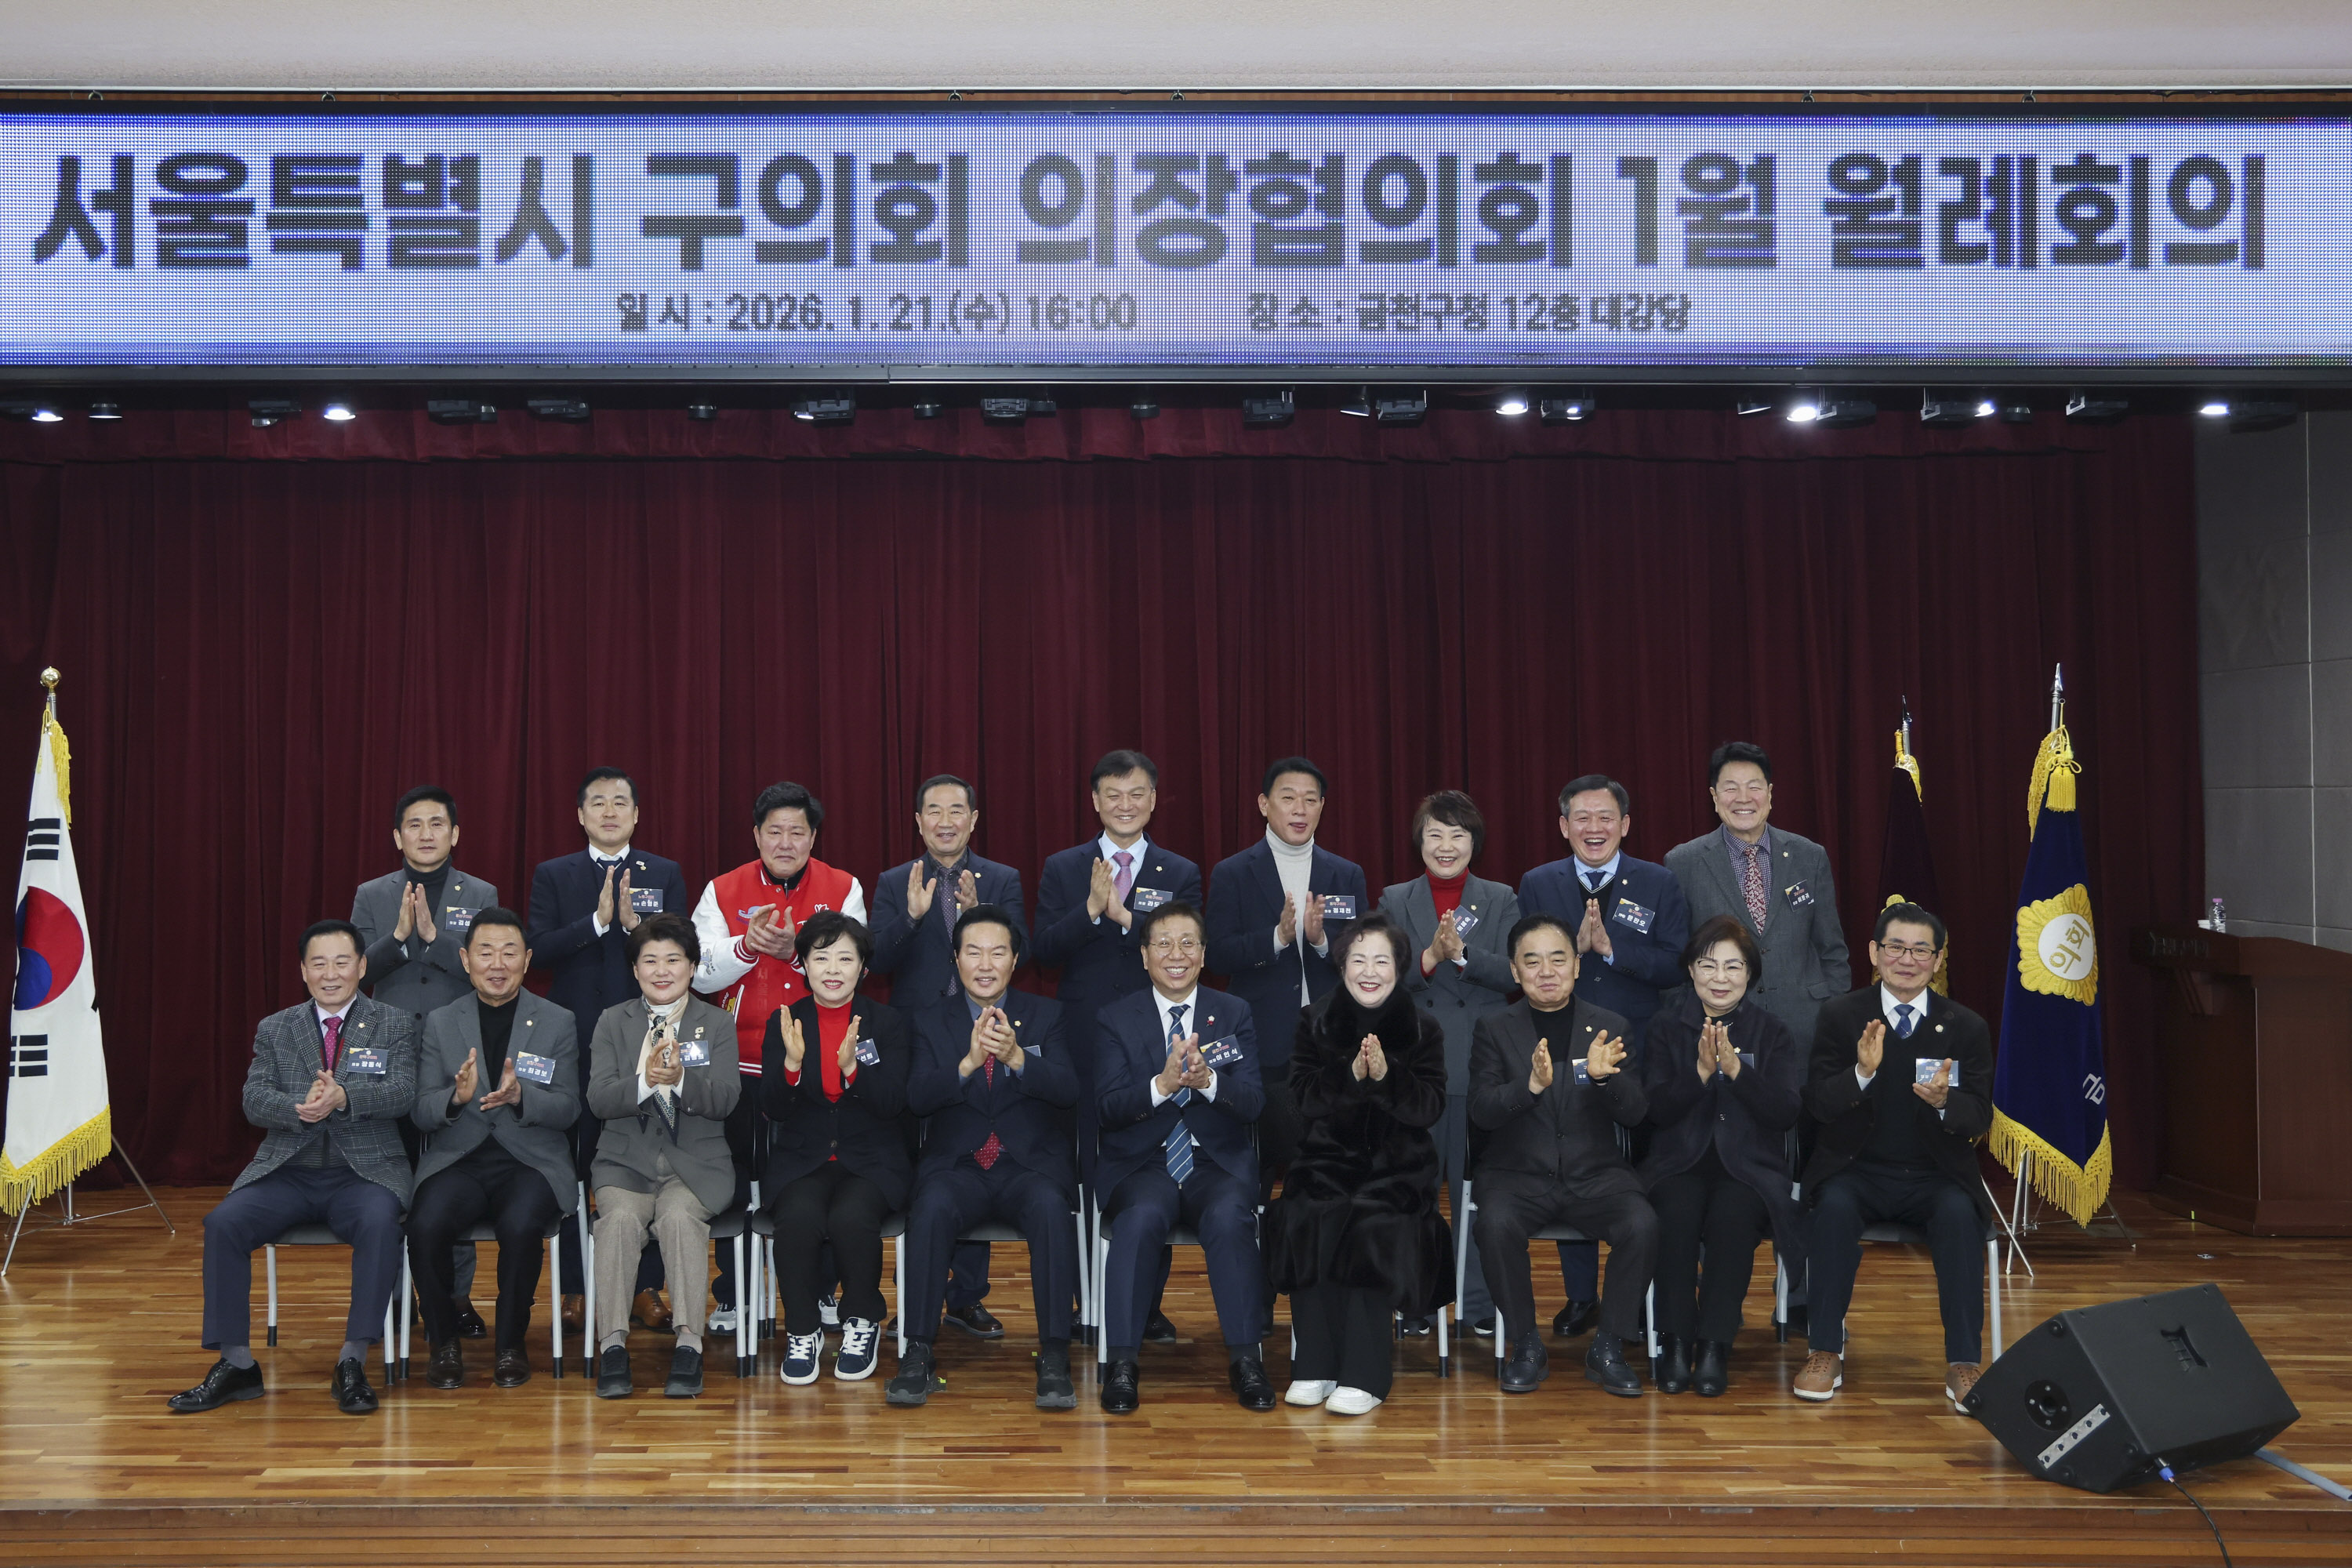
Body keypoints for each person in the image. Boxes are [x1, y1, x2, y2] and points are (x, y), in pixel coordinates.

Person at [169, 921, 416, 1417]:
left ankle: (352, 1360)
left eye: (342, 962)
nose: (331, 974)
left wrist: (345, 1097)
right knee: (223, 1223)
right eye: (319, 964)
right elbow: (253, 1099)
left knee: (379, 1223)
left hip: (364, 1172)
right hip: (289, 1170)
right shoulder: (276, 1028)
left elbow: (403, 1092)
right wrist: (297, 1108)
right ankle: (237, 1364)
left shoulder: (394, 1023)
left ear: (362, 966)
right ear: (303, 971)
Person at [1030, 748, 1203, 1344]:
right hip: (1080, 1037)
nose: (1125, 806)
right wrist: (1088, 911)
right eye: (1113, 795)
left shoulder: (1180, 871)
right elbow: (1043, 950)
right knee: (1084, 1165)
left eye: (1136, 795)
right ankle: (1085, 1300)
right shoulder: (1064, 866)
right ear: (1095, 802)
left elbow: (1186, 945)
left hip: (1154, 1036)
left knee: (1153, 1159)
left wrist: (1126, 917)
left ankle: (1144, 1302)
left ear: (1152, 800)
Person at [1795, 902, 1994, 1410]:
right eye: (1896, 947)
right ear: (1874, 953)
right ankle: (1824, 1351)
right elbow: (1818, 1104)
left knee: (1960, 1217)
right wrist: (1861, 1074)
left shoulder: (1966, 1026)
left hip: (1935, 1175)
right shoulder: (1841, 1017)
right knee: (1832, 1211)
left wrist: (1946, 1102)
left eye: (1921, 950)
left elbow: (1979, 1118)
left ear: (1939, 959)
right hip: (1855, 1169)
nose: (1907, 960)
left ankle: (1964, 1362)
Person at [691, 781, 867, 1336]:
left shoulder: (843, 887)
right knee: (733, 1182)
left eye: (797, 832)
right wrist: (748, 946)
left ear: (813, 837)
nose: (785, 842)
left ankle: (822, 1291)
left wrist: (796, 953)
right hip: (735, 1064)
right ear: (756, 835)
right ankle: (734, 1296)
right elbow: (698, 972)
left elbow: (855, 965)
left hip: (815, 1067)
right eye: (774, 832)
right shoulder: (722, 889)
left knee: (816, 1179)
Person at [887, 907, 1080, 1411]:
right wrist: (967, 1064)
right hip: (960, 1166)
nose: (986, 964)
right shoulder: (930, 1020)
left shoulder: (1049, 1015)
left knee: (1051, 1209)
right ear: (956, 960)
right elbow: (917, 1098)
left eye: (998, 953)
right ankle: (917, 1351)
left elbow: (1068, 1090)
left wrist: (1019, 1059)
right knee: (930, 1208)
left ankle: (1054, 1354)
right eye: (973, 952)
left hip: (1027, 1166)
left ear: (1015, 960)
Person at [1518, 774, 1690, 1339]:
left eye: (1606, 818)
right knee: (1573, 1159)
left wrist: (1613, 950)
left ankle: (1635, 1300)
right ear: (1564, 826)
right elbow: (1524, 958)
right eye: (1582, 818)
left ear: (1625, 824)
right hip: (1563, 1041)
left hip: (1640, 1043)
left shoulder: (1658, 882)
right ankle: (1580, 1297)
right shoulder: (1538, 882)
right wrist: (1571, 950)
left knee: (1639, 1171)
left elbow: (1676, 964)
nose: (1594, 829)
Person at [1261, 917, 1450, 1417]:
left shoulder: (1424, 1028)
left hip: (1398, 1169)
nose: (1369, 971)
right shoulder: (1314, 1021)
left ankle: (1366, 1375)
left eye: (1381, 961)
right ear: (1342, 966)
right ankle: (1315, 1365)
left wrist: (1388, 1078)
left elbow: (1429, 1108)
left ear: (1399, 968)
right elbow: (1301, 1101)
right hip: (1326, 1161)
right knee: (1307, 1212)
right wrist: (1349, 1075)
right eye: (1358, 960)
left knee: (1371, 1218)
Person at [525, 766, 689, 1333]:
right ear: (581, 815)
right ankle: (576, 1287)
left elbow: (681, 947)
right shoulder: (555, 874)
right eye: (598, 802)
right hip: (573, 1039)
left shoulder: (663, 872)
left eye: (621, 802)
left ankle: (647, 1287)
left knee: (651, 1158)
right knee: (577, 1163)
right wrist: (597, 923)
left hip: (647, 1036)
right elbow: (538, 949)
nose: (610, 811)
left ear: (637, 814)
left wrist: (636, 925)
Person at [1093, 901, 1272, 1414]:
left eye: (1188, 943)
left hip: (1215, 1164)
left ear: (1204, 954)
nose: (1177, 954)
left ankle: (1246, 1360)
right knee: (1140, 1218)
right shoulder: (1114, 1017)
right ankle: (1122, 1363)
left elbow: (1253, 1103)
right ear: (1145, 955)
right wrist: (1162, 1085)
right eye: (1164, 944)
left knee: (1230, 1218)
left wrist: (1209, 1081)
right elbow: (1107, 1108)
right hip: (1143, 1163)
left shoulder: (1233, 1012)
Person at [1467, 914, 1654, 1398]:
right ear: (1515, 971)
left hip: (1595, 1174)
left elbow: (1636, 1113)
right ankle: (1526, 1344)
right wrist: (1529, 1087)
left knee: (1642, 1224)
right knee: (1493, 1225)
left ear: (1576, 965)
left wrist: (1606, 1080)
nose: (1546, 971)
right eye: (1532, 962)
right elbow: (1481, 1111)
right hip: (1517, 1174)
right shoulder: (1494, 1028)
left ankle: (1609, 1346)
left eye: (1558, 959)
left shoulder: (1611, 1026)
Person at [868, 774, 1022, 1337]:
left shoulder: (1003, 878)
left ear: (974, 819)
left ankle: (966, 1296)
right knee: (921, 1166)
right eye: (934, 811)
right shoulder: (895, 882)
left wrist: (985, 913)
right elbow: (875, 960)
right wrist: (910, 918)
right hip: (917, 1037)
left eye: (957, 810)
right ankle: (916, 1297)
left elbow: (1023, 951)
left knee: (977, 1148)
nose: (945, 821)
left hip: (984, 1029)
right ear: (918, 821)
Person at [406, 908, 579, 1389]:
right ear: (466, 960)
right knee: (425, 1225)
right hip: (458, 1158)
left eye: (509, 952)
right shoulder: (442, 1022)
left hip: (530, 1160)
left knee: (522, 1226)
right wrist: (454, 1099)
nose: (497, 964)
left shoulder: (558, 1020)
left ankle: (510, 1343)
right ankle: (444, 1343)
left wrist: (523, 1098)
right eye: (485, 952)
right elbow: (421, 1110)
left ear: (527, 960)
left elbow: (569, 1108)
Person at [1637, 915, 1804, 1398]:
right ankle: (1674, 1342)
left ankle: (1714, 1346)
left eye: (1733, 966)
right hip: (1678, 1163)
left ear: (1750, 973)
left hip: (1748, 1169)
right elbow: (1654, 1111)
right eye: (1708, 965)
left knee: (1733, 1218)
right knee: (1674, 1215)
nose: (1720, 978)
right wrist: (1700, 1072)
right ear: (1691, 970)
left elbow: (1786, 1112)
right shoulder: (1667, 1026)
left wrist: (1736, 1071)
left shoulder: (1772, 1032)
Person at [350, 784, 496, 1330]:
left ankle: (455, 1299)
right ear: (397, 837)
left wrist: (434, 939)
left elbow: (491, 972)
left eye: (437, 824)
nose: (426, 833)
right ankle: (392, 1300)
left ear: (455, 834)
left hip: (455, 1055)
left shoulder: (480, 893)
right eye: (415, 824)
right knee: (391, 1182)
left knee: (451, 1178)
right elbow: (354, 971)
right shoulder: (372, 894)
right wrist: (398, 936)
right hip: (385, 1056)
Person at [1375, 789, 1519, 1339]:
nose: (1446, 845)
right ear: (1420, 841)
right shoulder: (1395, 898)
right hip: (1415, 1066)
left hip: (1480, 1063)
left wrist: (1461, 955)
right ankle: (1416, 1300)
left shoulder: (1500, 898)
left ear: (1473, 843)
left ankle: (1477, 1305)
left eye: (1458, 835)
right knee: (1414, 1188)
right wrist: (1430, 958)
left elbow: (1515, 974)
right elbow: (1379, 975)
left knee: (1475, 1195)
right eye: (1435, 834)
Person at [586, 913, 740, 1400]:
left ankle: (689, 1345)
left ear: (692, 967)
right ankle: (613, 1346)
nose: (662, 970)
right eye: (649, 960)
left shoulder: (717, 1023)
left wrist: (682, 1081)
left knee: (677, 1220)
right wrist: (646, 1082)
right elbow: (599, 1099)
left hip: (694, 1166)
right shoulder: (613, 1021)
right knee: (617, 1223)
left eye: (673, 959)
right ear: (634, 970)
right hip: (625, 1163)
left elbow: (726, 1099)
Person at [1205, 757, 1370, 1201]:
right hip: (1260, 1034)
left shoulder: (1346, 873)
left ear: (1322, 807)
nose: (1300, 809)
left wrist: (1322, 942)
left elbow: (1366, 958)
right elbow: (1216, 954)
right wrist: (1275, 939)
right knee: (1256, 1156)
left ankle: (1320, 1241)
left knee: (1327, 1159)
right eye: (1288, 798)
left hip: (1329, 1037)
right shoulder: (1232, 872)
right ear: (1264, 804)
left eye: (1311, 800)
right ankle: (1254, 1238)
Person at [760, 911, 910, 1387]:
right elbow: (773, 1109)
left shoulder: (888, 1023)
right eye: (821, 957)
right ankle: (802, 1330)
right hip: (803, 1159)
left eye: (845, 959)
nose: (832, 969)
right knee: (798, 1219)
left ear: (862, 968)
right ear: (803, 964)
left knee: (851, 1218)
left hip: (871, 1160)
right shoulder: (786, 1021)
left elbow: (894, 1104)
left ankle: (861, 1321)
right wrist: (790, 1065)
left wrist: (852, 1071)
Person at [1664, 742, 1849, 1054]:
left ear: (1770, 793)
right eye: (1731, 788)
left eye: (1754, 787)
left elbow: (1831, 949)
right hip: (1720, 1030)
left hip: (1806, 1026)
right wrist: (1687, 1024)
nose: (1743, 798)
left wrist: (1833, 1011)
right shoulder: (1684, 862)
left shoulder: (1809, 856)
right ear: (1714, 797)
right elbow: (1677, 958)